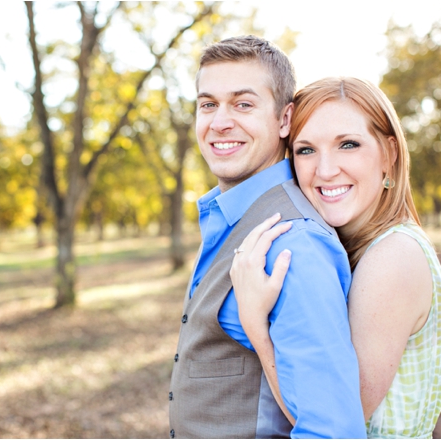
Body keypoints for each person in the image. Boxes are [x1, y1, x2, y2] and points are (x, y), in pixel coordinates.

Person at [167, 36, 367, 439]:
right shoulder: (227, 218)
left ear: (283, 119)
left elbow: (332, 430)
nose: (220, 121)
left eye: (243, 104)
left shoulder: (293, 244)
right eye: (208, 104)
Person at [230, 77, 441, 438]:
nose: (326, 169)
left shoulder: (393, 257)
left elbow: (333, 419)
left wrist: (255, 324)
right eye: (306, 150)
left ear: (389, 154)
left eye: (348, 144)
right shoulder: (355, 251)